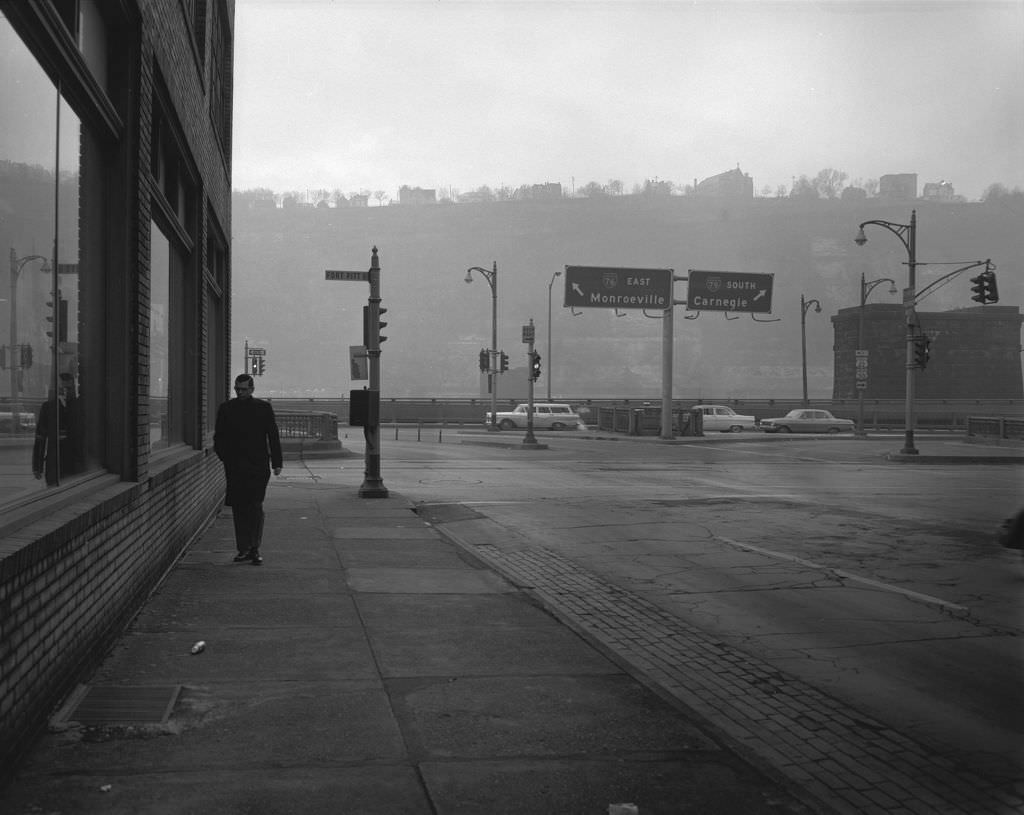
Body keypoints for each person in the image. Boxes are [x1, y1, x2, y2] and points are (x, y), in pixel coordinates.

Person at [214, 373, 282, 565]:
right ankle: (244, 548)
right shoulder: (226, 409)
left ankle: (253, 547)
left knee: (255, 506)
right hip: (235, 466)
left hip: (258, 466)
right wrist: (226, 458)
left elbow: (273, 436)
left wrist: (277, 463)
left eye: (243, 389)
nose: (240, 392)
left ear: (252, 389)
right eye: (237, 389)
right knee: (239, 508)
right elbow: (219, 437)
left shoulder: (263, 408)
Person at [33, 372, 84, 486]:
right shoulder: (48, 407)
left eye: (69, 388)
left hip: (76, 462)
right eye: (63, 388)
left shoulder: (80, 406)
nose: (66, 391)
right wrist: (38, 466)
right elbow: (40, 437)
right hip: (55, 462)